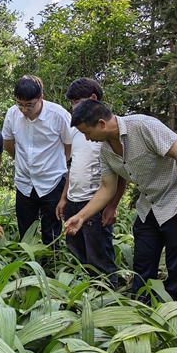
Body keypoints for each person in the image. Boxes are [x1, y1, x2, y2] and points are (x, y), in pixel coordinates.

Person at [64, 100, 177, 300]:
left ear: (102, 124)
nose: (87, 139)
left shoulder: (142, 126)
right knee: (142, 261)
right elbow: (107, 188)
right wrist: (80, 216)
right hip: (149, 204)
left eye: (87, 133)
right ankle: (140, 308)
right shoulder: (105, 150)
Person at [56, 79, 124, 290]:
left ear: (93, 99)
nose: (74, 106)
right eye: (72, 103)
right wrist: (64, 198)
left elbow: (122, 171)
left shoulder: (108, 130)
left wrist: (112, 205)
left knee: (99, 255)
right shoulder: (77, 130)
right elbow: (73, 165)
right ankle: (88, 297)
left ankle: (108, 297)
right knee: (78, 254)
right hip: (73, 201)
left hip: (95, 202)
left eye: (77, 101)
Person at [2, 75, 72, 247]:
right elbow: (8, 144)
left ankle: (51, 267)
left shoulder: (59, 115)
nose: (24, 109)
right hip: (24, 182)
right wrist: (23, 162)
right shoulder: (12, 114)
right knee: (26, 230)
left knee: (52, 230)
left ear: (40, 98)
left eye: (29, 105)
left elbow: (70, 146)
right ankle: (28, 267)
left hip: (53, 181)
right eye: (20, 104)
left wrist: (57, 163)